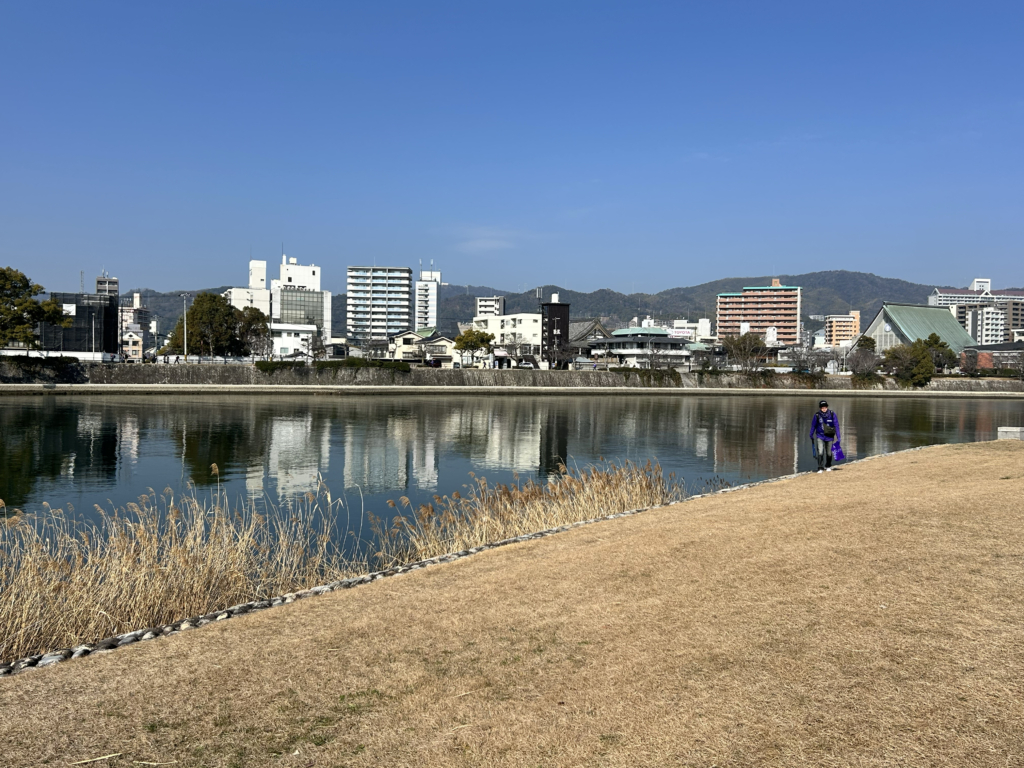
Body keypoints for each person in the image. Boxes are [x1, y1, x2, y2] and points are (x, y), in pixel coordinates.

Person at [809, 399, 841, 473]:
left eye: (825, 407)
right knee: (820, 452)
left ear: (827, 407)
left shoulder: (832, 414)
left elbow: (836, 425)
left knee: (829, 453)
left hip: (829, 436)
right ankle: (820, 467)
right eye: (822, 407)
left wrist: (838, 436)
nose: (824, 409)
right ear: (820, 408)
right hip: (820, 436)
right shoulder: (817, 415)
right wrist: (811, 434)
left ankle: (828, 466)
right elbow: (813, 425)